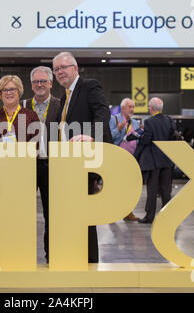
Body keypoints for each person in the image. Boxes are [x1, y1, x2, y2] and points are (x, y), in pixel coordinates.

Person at [52, 51, 112, 263]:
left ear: (75, 68)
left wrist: (91, 135)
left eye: (64, 67)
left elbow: (102, 112)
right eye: (56, 69)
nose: (60, 72)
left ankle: (90, 260)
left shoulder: (89, 86)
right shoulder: (64, 97)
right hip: (68, 164)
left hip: (84, 162)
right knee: (73, 214)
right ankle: (76, 257)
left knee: (84, 216)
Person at [0, 75, 40, 265]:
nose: (9, 93)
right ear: (0, 93)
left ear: (19, 91)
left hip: (22, 173)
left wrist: (18, 165)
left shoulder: (30, 116)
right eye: (5, 90)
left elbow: (36, 144)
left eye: (12, 89)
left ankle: (18, 250)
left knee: (19, 214)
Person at [21, 66, 61, 263]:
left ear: (51, 83)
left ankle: (51, 254)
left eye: (43, 81)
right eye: (36, 82)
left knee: (51, 214)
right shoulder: (21, 106)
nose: (39, 85)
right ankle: (22, 253)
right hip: (25, 167)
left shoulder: (61, 106)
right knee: (22, 212)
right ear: (31, 85)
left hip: (52, 166)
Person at [134, 97, 176, 224]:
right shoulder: (169, 120)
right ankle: (168, 216)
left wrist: (138, 140)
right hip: (167, 160)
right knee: (166, 190)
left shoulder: (149, 122)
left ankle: (150, 216)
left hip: (153, 161)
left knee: (152, 190)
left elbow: (147, 140)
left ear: (151, 108)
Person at [109, 98, 141, 221]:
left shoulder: (135, 123)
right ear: (123, 108)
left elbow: (137, 139)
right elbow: (110, 137)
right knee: (116, 186)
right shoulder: (114, 119)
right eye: (129, 107)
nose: (132, 109)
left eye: (133, 107)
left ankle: (128, 212)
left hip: (131, 160)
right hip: (117, 159)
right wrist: (119, 129)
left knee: (129, 187)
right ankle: (113, 211)